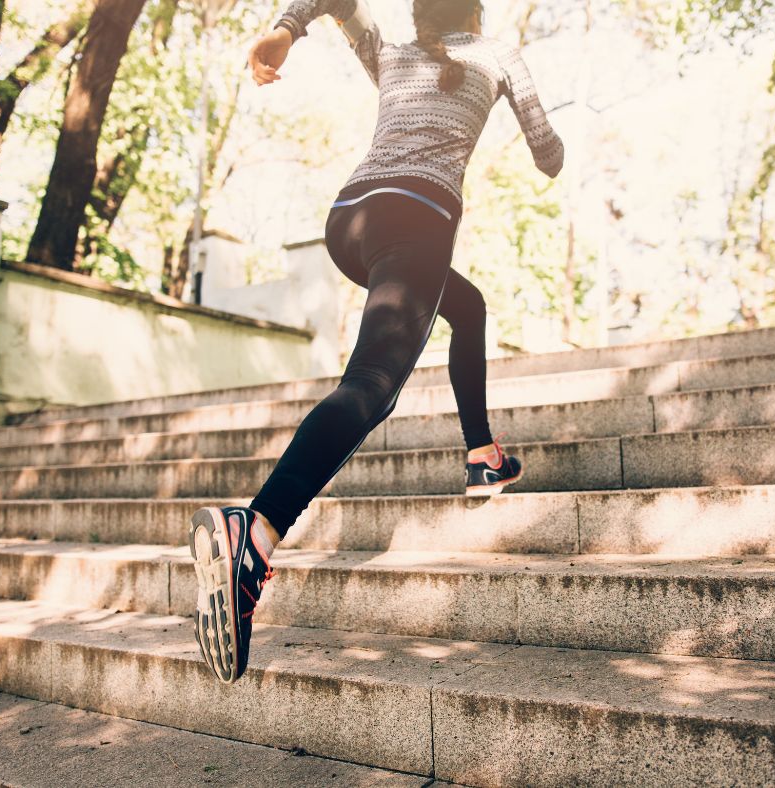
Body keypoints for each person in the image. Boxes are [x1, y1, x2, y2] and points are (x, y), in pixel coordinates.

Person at [190, 0, 564, 684]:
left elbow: (339, 2)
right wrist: (525, 122)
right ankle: (258, 532)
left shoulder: (393, 56)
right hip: (415, 217)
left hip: (350, 221)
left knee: (467, 306)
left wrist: (285, 30)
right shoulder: (498, 57)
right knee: (372, 387)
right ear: (475, 12)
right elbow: (549, 159)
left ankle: (483, 454)